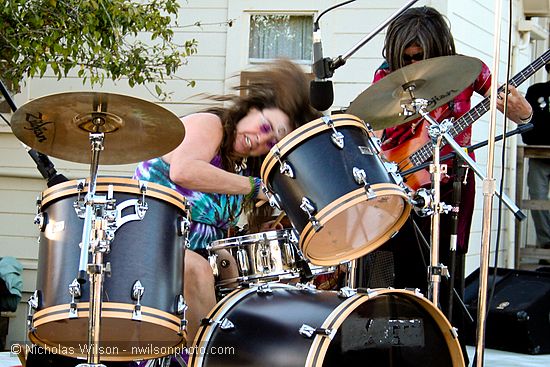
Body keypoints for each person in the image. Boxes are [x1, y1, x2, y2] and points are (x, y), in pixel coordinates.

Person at [365, 6, 533, 363]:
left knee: (445, 266)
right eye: (405, 56)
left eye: (418, 55)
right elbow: (373, 128)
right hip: (397, 182)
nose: (411, 60)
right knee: (388, 266)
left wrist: (520, 107)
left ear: (438, 47)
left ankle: (440, 350)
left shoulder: (470, 71)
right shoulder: (386, 73)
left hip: (453, 184)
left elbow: (519, 114)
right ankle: (389, 352)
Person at [133, 58, 320, 349]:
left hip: (200, 260)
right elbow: (183, 171)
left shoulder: (240, 168)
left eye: (271, 141)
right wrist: (256, 188)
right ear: (250, 110)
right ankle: (203, 357)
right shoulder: (211, 125)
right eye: (265, 126)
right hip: (149, 241)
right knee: (196, 269)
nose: (261, 139)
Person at [521, 62, 550, 255]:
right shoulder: (536, 91)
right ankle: (546, 246)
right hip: (538, 153)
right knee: (537, 198)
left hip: (540, 149)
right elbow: (527, 121)